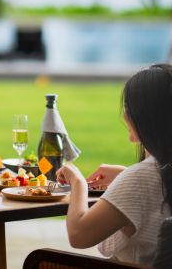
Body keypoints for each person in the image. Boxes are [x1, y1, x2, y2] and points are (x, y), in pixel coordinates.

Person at [56, 63, 172, 266]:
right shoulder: (157, 174)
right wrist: (125, 175)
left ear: (146, 116)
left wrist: (78, 183)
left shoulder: (143, 177)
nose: (124, 115)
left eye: (129, 107)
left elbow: (79, 235)